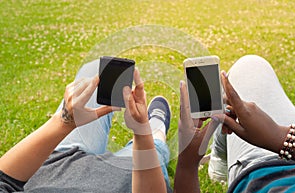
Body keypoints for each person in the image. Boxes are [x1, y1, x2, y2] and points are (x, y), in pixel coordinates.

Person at [0, 59, 172, 193]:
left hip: (54, 164)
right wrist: (142, 131)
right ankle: (156, 127)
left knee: (97, 69)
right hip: (125, 176)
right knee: (155, 145)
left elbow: (3, 180)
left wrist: (64, 121)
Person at [174, 55, 295, 193]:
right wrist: (280, 137)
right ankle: (219, 157)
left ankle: (219, 158)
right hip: (289, 155)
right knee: (251, 65)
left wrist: (187, 165)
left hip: (258, 172)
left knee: (248, 67)